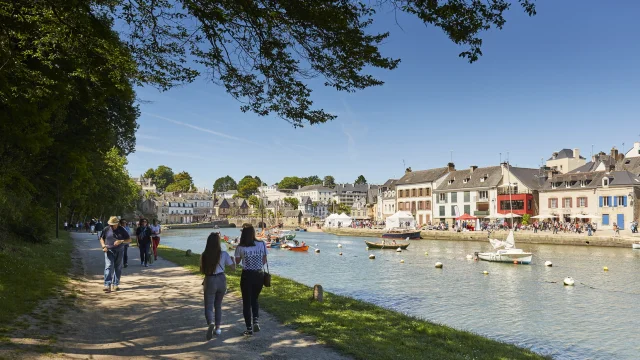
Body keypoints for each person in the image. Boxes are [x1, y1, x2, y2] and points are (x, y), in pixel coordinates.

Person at [200, 232, 235, 340]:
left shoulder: (204, 254)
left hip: (210, 280)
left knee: (209, 305)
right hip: (221, 280)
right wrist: (233, 260)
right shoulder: (224, 254)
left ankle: (211, 322)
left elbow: (202, 270)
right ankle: (218, 328)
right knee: (218, 305)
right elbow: (233, 268)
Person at [234, 224, 267, 336]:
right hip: (259, 275)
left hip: (247, 275)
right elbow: (264, 260)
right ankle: (256, 320)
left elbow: (237, 262)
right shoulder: (261, 244)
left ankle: (249, 329)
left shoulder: (240, 247)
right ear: (253, 233)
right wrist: (257, 265)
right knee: (255, 299)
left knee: (246, 303)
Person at [99, 216, 131, 292]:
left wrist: (121, 241)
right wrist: (103, 246)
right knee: (108, 266)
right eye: (110, 224)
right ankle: (107, 285)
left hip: (119, 250)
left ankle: (116, 284)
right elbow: (101, 238)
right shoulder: (106, 229)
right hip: (109, 250)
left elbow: (129, 239)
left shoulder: (122, 229)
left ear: (117, 224)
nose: (111, 226)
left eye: (113, 224)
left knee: (118, 267)